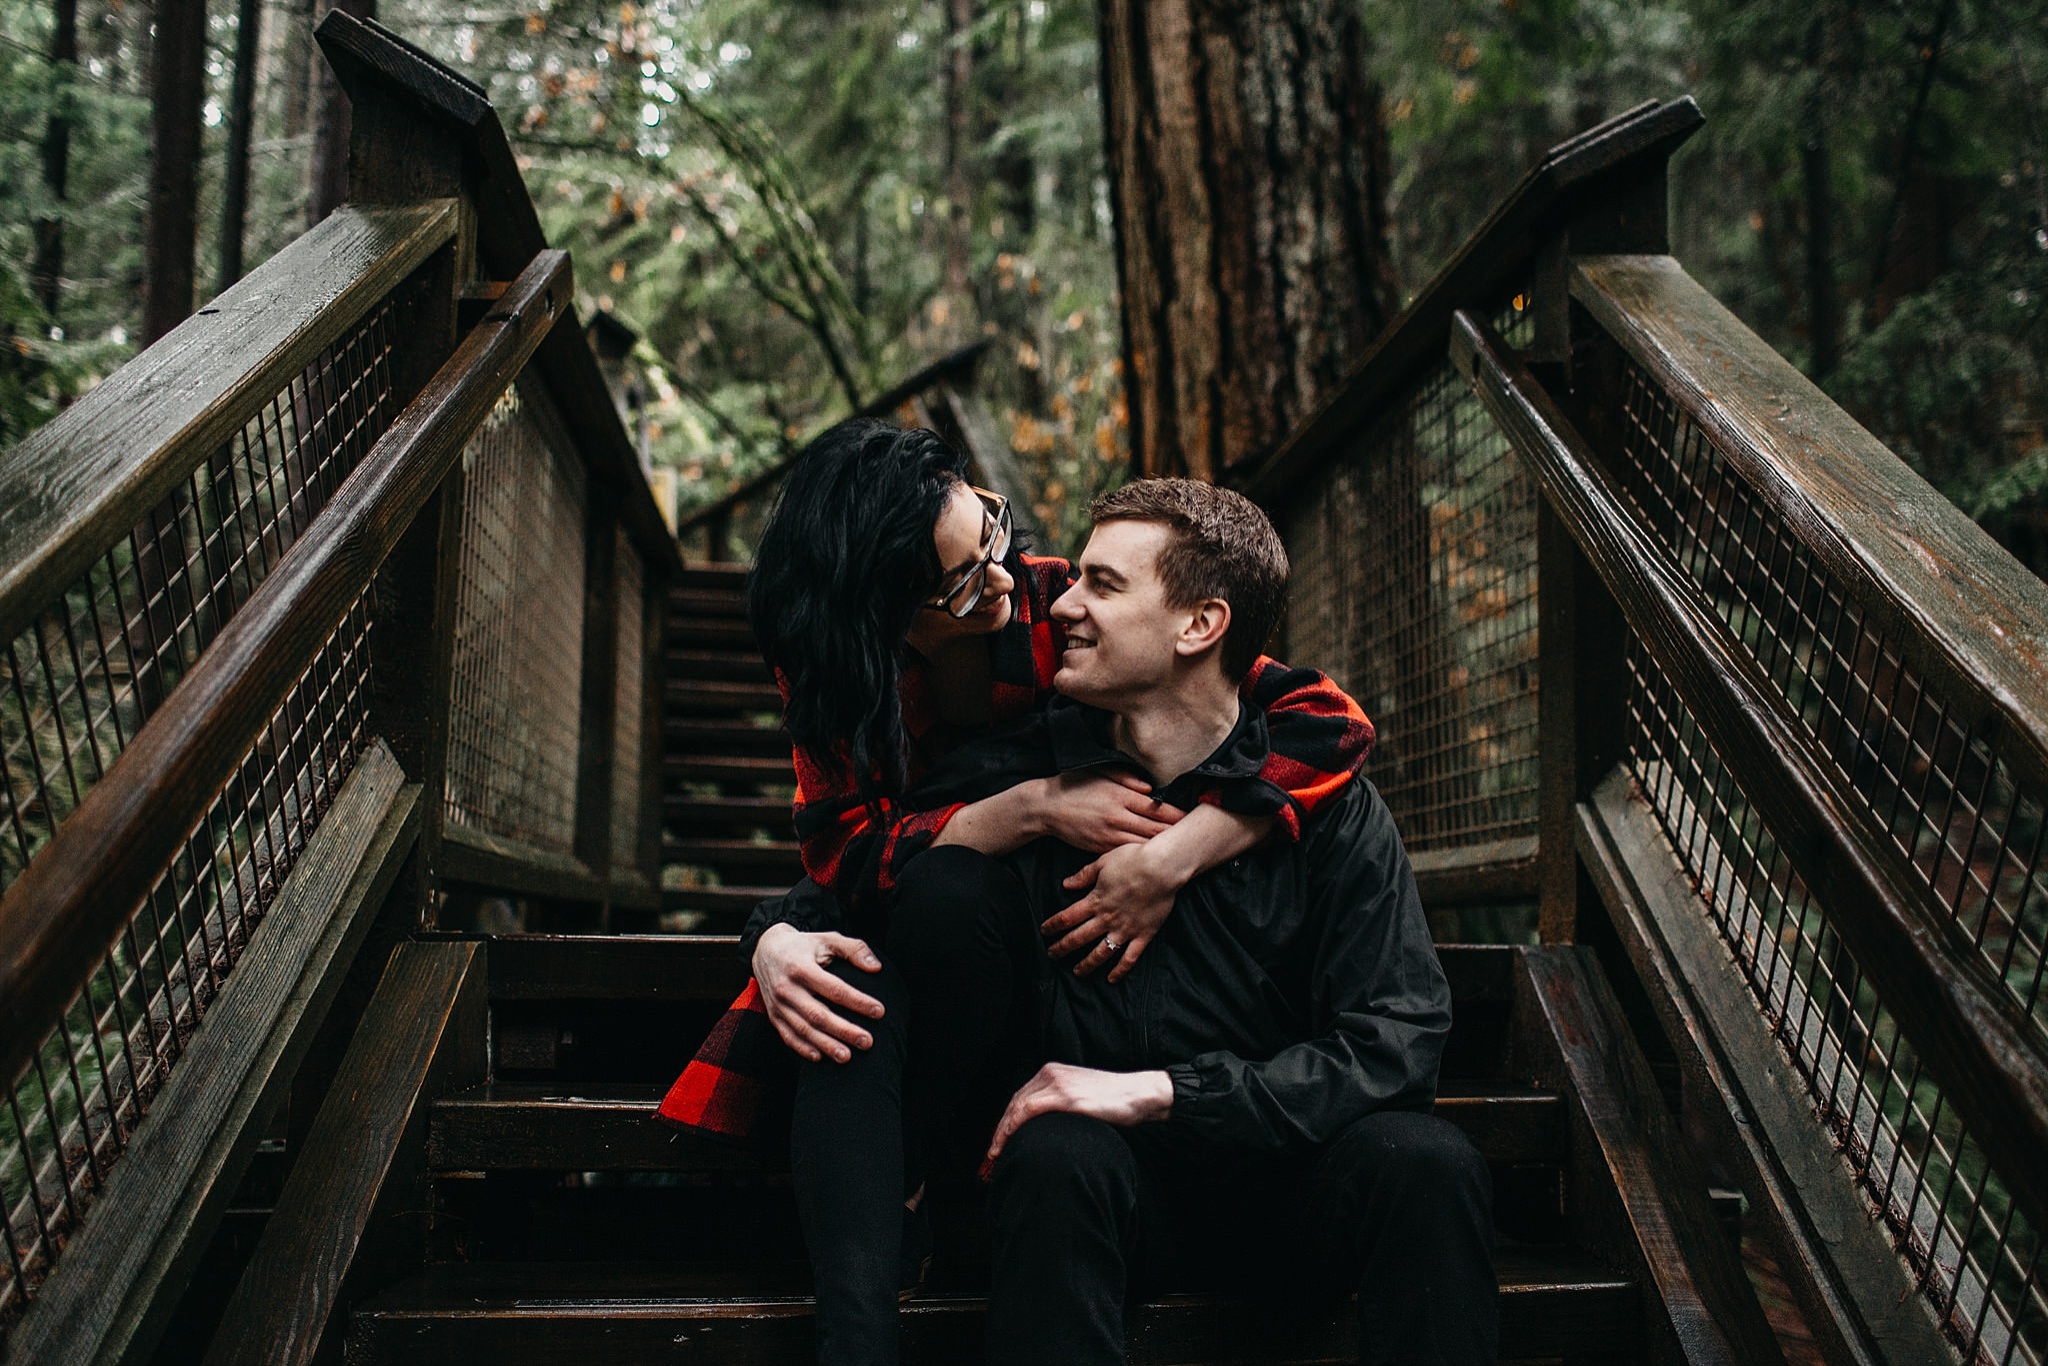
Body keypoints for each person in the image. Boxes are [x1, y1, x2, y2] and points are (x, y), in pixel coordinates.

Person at [652, 420, 1376, 1365]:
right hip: (908, 911)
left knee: (941, 903)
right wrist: (1025, 808)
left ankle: (922, 1168)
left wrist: (1173, 856)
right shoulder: (836, 670)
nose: (1002, 575)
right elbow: (844, 853)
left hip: (1008, 956)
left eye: (990, 530)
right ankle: (858, 1333)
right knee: (844, 983)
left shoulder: (1049, 611)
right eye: (958, 580)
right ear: (884, 613)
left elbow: (1327, 721)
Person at [898, 479, 1496, 1366]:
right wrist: (778, 940)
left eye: (1103, 584)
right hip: (1106, 1202)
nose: (1061, 602)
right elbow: (864, 867)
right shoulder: (1029, 775)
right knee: (1058, 1152)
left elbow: (1398, 1040)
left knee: (1429, 1159)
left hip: (1288, 1189)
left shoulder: (1329, 810)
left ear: (1198, 626)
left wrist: (1166, 1092)